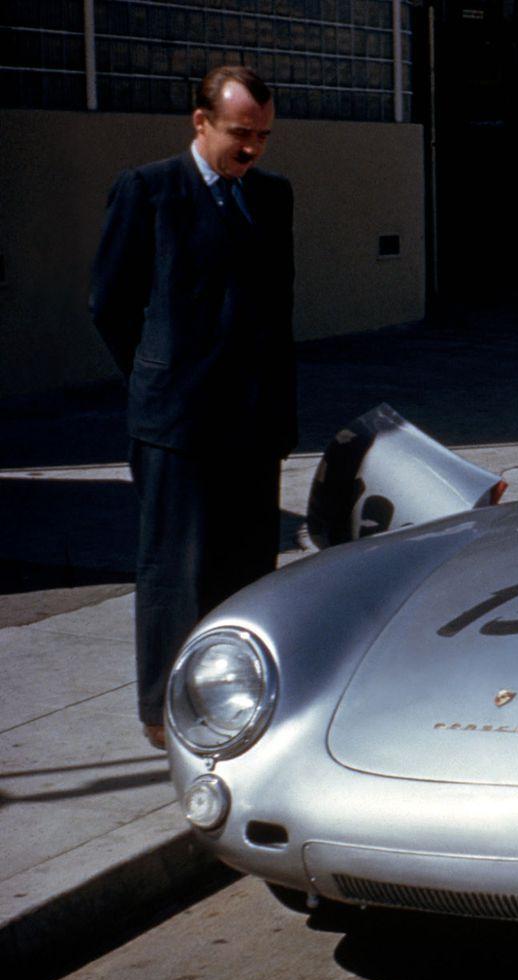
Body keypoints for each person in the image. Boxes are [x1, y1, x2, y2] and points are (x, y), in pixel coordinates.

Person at [90, 66, 296, 750]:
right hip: (177, 425)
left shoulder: (271, 197)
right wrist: (158, 374)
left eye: (262, 136)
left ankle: (238, 698)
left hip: (253, 420)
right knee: (176, 574)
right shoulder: (148, 191)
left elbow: (277, 308)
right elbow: (110, 303)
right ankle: (164, 711)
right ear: (200, 122)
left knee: (247, 572)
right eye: (240, 133)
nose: (252, 148)